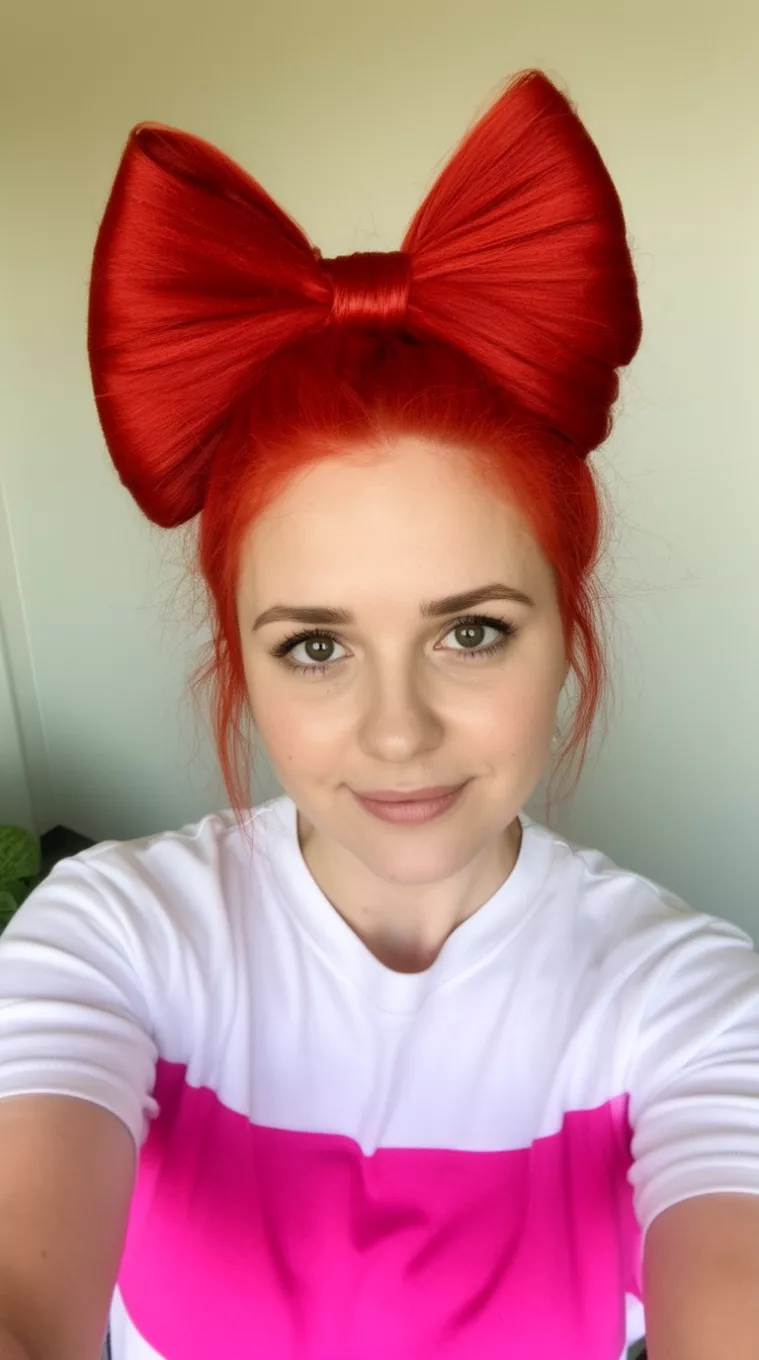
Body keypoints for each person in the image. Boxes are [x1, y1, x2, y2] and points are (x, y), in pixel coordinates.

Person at [0, 68, 758, 1360]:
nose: (396, 732)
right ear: (237, 656)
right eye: (313, 646)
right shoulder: (112, 938)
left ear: (564, 630)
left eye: (470, 633)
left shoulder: (687, 1003)